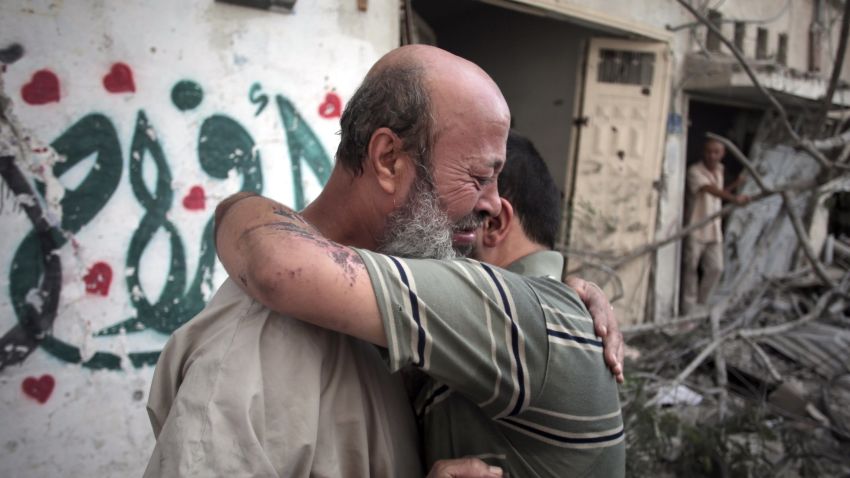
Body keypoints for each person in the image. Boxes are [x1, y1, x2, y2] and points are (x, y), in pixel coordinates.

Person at [146, 45, 622, 477]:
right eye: (479, 177)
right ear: (389, 159)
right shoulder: (260, 341)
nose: (495, 204)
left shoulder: (402, 323)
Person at [215, 128, 625, 477]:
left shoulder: (505, 311)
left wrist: (234, 206)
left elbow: (278, 265)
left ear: (495, 220)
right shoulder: (545, 316)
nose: (423, 221)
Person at [681, 137, 749, 313]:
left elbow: (718, 194)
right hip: (696, 229)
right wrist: (735, 198)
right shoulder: (694, 171)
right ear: (703, 152)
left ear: (722, 154)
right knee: (691, 270)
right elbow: (708, 189)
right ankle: (688, 308)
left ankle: (701, 306)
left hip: (714, 230)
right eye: (709, 151)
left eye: (716, 152)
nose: (712, 156)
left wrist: (735, 185)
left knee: (716, 268)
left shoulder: (720, 170)